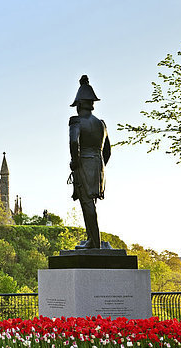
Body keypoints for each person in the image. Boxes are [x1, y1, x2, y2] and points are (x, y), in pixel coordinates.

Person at [69, 75, 111, 249]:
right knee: (91, 204)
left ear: (79, 104)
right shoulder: (101, 124)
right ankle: (93, 239)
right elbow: (108, 151)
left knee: (87, 203)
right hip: (99, 165)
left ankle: (94, 242)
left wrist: (75, 162)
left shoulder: (76, 121)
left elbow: (73, 142)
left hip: (84, 164)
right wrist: (99, 165)